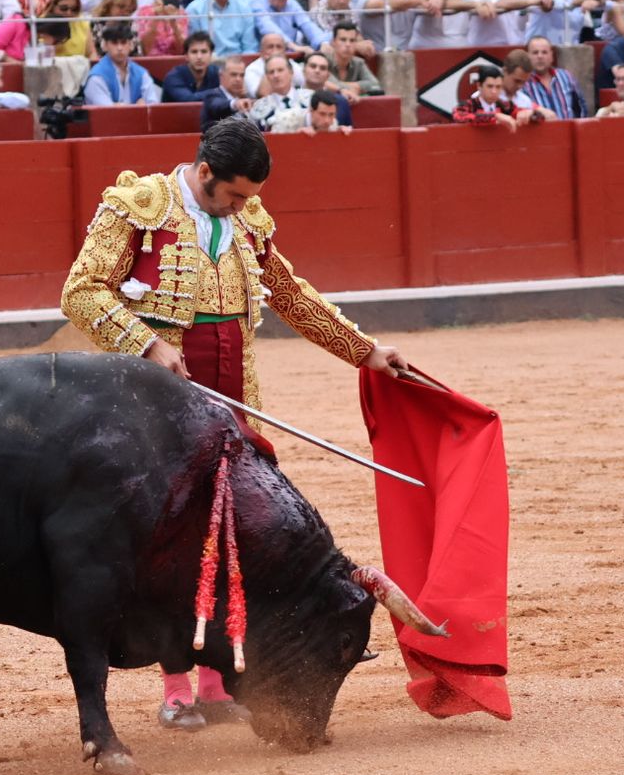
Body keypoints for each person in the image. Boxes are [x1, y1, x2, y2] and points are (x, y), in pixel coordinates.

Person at [59, 116, 410, 731]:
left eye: (251, 197)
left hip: (231, 397)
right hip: (154, 402)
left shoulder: (249, 220)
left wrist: (366, 350)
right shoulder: (137, 207)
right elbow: (81, 292)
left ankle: (219, 679)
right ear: (204, 174)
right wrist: (145, 345)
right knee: (163, 539)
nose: (246, 207)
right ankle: (174, 684)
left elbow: (293, 296)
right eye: (237, 195)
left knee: (231, 533)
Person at [84, 21, 161, 104]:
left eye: (123, 42)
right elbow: (107, 112)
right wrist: (137, 107)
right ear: (105, 46)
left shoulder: (142, 73)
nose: (120, 48)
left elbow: (153, 105)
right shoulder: (97, 77)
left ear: (131, 45)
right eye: (114, 43)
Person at [523, 35, 589, 117]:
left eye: (544, 52)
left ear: (551, 56)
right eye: (535, 53)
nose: (540, 56)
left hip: (567, 128)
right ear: (527, 56)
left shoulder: (566, 76)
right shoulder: (522, 82)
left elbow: (581, 106)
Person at [248, 51, 313, 130]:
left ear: (291, 72)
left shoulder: (311, 98)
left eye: (280, 70)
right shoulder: (259, 108)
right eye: (271, 72)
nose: (276, 75)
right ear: (267, 77)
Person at [452, 61, 520, 126]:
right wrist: (495, 116)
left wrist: (526, 114)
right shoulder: (469, 105)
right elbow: (458, 116)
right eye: (490, 86)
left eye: (498, 87)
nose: (494, 91)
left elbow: (519, 112)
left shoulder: (505, 105)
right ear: (479, 86)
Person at [162, 29, 221, 100]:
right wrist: (218, 92)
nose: (199, 57)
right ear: (186, 56)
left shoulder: (217, 73)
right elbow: (188, 100)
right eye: (194, 52)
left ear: (211, 55)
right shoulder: (173, 77)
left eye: (204, 52)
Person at [201, 52, 253, 123]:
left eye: (242, 75)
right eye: (233, 75)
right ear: (221, 76)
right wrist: (235, 104)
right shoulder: (211, 96)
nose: (238, 79)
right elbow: (217, 106)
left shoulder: (246, 98)